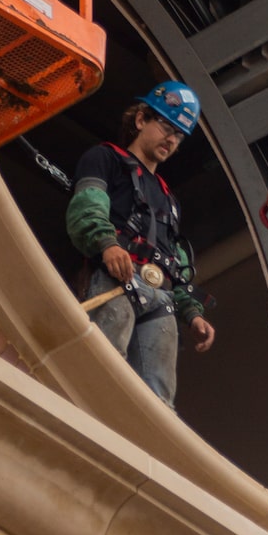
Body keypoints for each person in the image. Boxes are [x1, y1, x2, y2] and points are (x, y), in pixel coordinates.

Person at [67, 83, 216, 407]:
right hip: (116, 279)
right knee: (105, 368)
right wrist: (107, 244)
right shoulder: (105, 159)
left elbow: (172, 260)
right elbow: (87, 208)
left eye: (178, 134)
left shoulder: (169, 198)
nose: (172, 139)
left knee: (159, 397)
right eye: (165, 125)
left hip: (158, 294)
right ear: (140, 120)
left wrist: (191, 312)